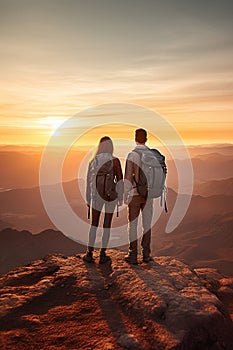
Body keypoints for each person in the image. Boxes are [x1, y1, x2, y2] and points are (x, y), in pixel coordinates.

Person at [84, 136, 123, 264]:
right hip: (110, 196)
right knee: (107, 225)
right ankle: (102, 254)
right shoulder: (115, 161)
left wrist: (88, 197)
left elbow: (89, 180)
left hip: (96, 196)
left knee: (94, 225)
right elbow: (120, 180)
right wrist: (120, 197)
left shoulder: (93, 161)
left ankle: (89, 253)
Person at [124, 128, 153, 264]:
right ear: (146, 139)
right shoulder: (152, 154)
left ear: (135, 138)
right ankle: (146, 254)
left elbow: (128, 178)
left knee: (133, 224)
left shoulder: (132, 155)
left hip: (135, 194)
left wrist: (125, 194)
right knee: (146, 225)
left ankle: (133, 255)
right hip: (149, 194)